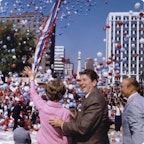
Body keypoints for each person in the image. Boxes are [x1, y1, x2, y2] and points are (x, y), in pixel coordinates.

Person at [49, 69, 110, 144]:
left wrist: (62, 124)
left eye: (84, 80)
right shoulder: (90, 97)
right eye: (80, 80)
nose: (81, 83)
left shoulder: (95, 100)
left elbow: (83, 128)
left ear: (94, 82)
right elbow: (88, 120)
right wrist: (75, 117)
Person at [24, 66, 71, 144]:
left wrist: (32, 79)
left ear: (46, 93)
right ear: (62, 94)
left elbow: (33, 93)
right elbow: (67, 135)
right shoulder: (65, 112)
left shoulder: (42, 106)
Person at [120, 77, 144, 144]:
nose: (120, 89)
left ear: (130, 88)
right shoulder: (140, 99)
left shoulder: (134, 104)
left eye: (122, 87)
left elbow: (138, 129)